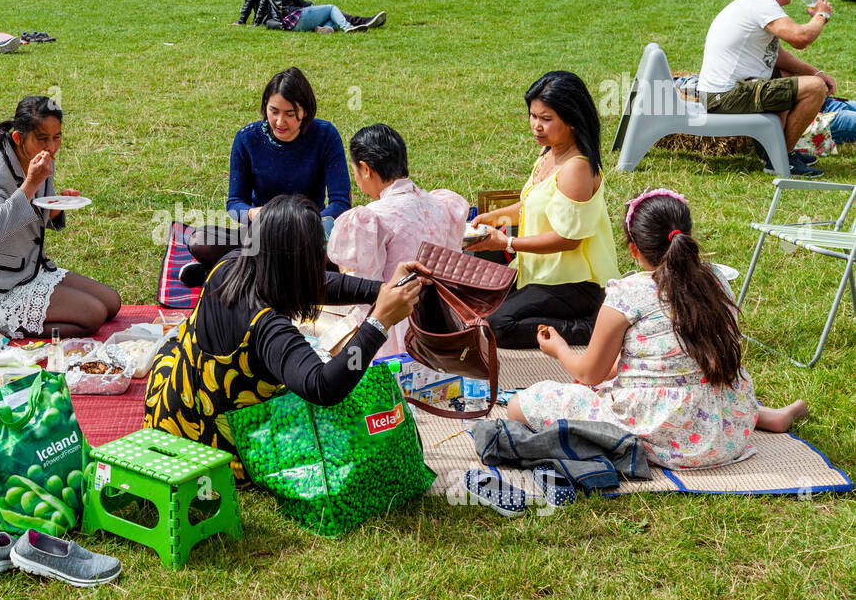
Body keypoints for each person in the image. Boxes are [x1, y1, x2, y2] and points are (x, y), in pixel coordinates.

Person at [511, 190, 807, 470]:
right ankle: (765, 415)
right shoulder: (716, 280)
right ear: (686, 238)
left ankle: (765, 415)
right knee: (686, 387)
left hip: (660, 431)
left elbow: (589, 374)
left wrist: (560, 349)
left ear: (633, 249)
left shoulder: (628, 293)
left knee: (519, 406)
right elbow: (674, 356)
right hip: (726, 430)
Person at [147, 194, 427, 478]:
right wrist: (379, 323)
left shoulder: (231, 265)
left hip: (170, 407)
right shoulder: (268, 328)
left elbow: (312, 284)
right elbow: (323, 387)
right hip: (218, 449)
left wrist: (379, 291)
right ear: (297, 265)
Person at [468, 71, 620, 348]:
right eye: (533, 116)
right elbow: (531, 203)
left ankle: (589, 327)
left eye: (546, 119)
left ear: (572, 120)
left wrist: (509, 242)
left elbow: (569, 240)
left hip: (576, 284)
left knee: (496, 327)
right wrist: (491, 217)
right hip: (540, 274)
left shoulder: (577, 168)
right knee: (475, 301)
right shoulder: (549, 151)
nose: (536, 126)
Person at [0, 96, 121, 338]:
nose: (51, 147)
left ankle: (22, 319)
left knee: (112, 303)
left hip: (32, 268)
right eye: (42, 138)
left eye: (56, 137)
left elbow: (35, 213)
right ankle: (0, 322)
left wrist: (58, 204)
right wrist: (32, 182)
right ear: (18, 137)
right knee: (94, 316)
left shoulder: (40, 160)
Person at [181, 68, 352, 286]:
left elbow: (340, 202)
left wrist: (308, 225)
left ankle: (228, 273)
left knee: (339, 256)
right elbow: (234, 204)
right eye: (274, 112)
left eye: (290, 114)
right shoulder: (247, 138)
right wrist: (254, 214)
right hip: (261, 235)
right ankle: (280, 276)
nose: (280, 122)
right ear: (265, 108)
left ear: (306, 112)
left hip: (309, 236)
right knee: (201, 240)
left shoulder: (325, 135)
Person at [327, 124, 468, 358]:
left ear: (365, 169)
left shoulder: (372, 218)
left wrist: (346, 268)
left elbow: (366, 292)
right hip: (440, 323)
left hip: (393, 326)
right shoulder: (442, 204)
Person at [698, 0, 833, 177]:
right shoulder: (760, 3)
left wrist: (816, 72)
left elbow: (776, 55)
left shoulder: (756, 1)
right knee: (814, 88)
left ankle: (771, 149)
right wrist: (821, 15)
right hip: (724, 96)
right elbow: (800, 38)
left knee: (792, 76)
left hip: (723, 91)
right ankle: (780, 157)